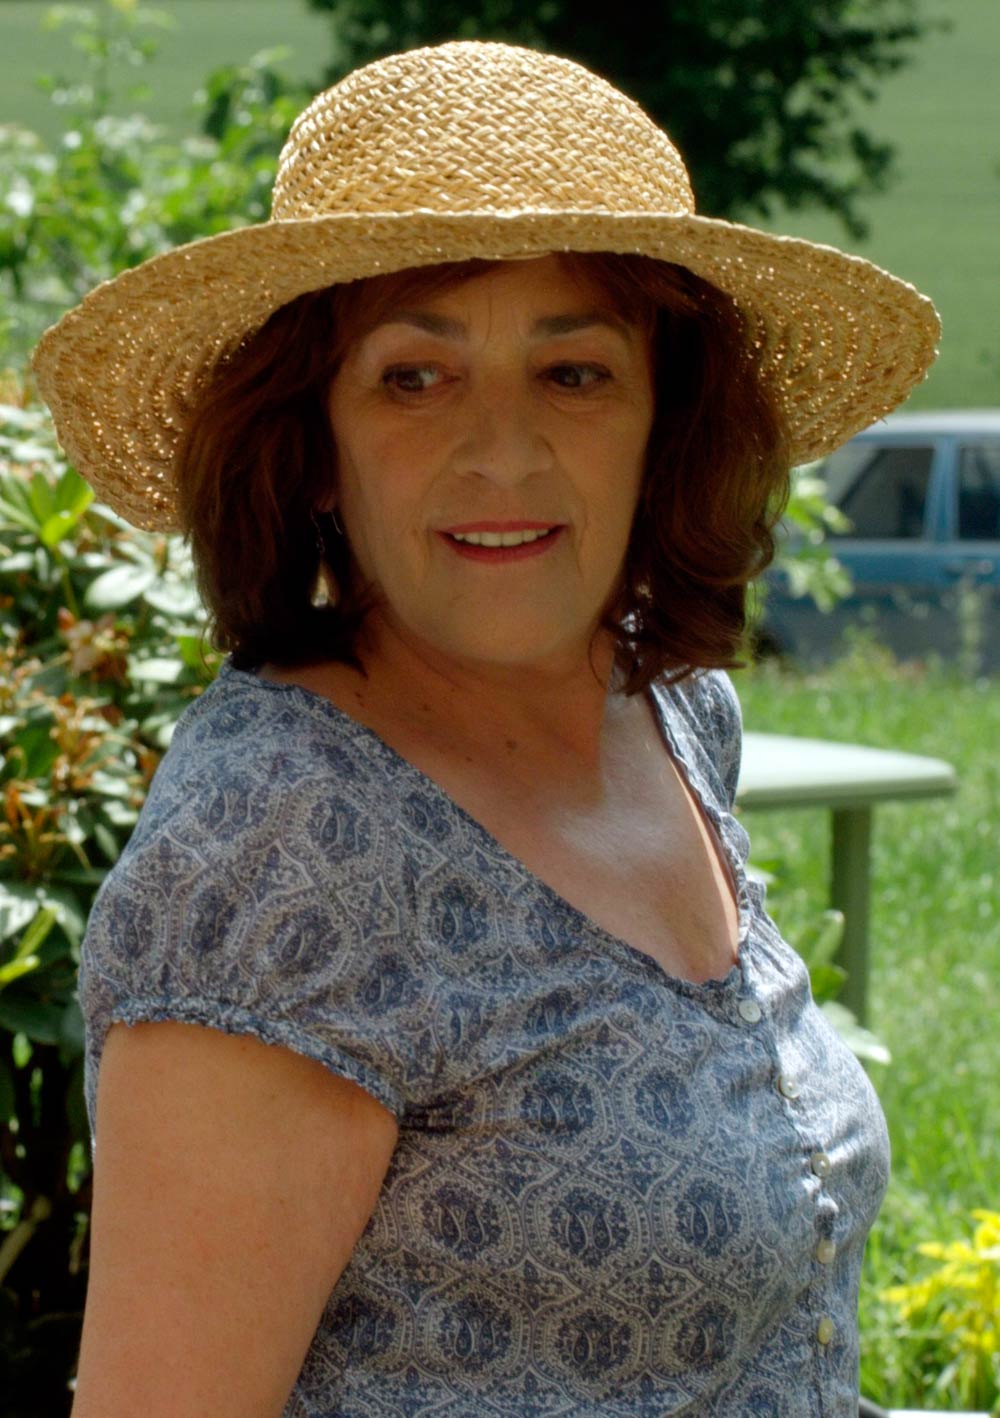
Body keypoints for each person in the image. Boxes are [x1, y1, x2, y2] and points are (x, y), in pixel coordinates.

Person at [32, 39, 940, 1418]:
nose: (503, 451)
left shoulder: (671, 714)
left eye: (574, 373)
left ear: (665, 419)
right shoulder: (279, 843)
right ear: (313, 446)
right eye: (414, 377)